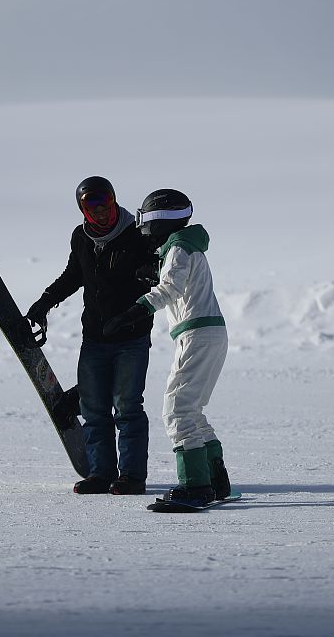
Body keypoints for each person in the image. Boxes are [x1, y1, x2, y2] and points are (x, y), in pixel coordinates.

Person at [25, 176, 158, 495]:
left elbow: (158, 270)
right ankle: (101, 474)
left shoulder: (137, 235)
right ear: (82, 209)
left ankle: (132, 477)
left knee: (127, 407)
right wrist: (44, 302)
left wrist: (148, 273)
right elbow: (74, 276)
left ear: (114, 200)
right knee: (95, 408)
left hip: (131, 338)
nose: (101, 211)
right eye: (92, 205)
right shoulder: (81, 238)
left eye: (106, 202)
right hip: (94, 338)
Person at [104, 189, 231, 507]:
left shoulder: (178, 248)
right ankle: (216, 481)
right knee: (193, 411)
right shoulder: (186, 247)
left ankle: (195, 486)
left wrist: (133, 312)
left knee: (176, 411)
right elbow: (177, 280)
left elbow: (171, 288)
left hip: (197, 335)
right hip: (211, 333)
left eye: (144, 218)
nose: (142, 226)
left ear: (159, 219)